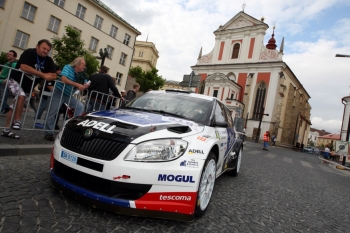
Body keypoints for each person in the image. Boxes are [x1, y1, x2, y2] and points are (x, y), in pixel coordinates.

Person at [1, 40, 57, 139]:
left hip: (28, 86)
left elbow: (53, 75)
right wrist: (43, 74)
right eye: (44, 48)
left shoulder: (48, 60)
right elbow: (24, 67)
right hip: (15, 80)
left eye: (48, 50)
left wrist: (47, 75)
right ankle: (17, 121)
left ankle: (6, 130)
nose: (45, 51)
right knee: (20, 96)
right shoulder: (29, 52)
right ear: (37, 46)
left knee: (14, 106)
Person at [44, 57, 90, 141]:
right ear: (77, 65)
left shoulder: (82, 74)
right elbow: (63, 79)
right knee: (52, 112)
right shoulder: (68, 67)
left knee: (79, 106)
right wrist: (77, 85)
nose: (85, 67)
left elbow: (85, 83)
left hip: (68, 95)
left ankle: (73, 127)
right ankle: (48, 133)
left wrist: (85, 86)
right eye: (83, 65)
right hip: (58, 92)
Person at [35, 65, 61, 129]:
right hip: (46, 95)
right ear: (56, 70)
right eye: (60, 70)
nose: (60, 72)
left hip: (50, 95)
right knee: (42, 108)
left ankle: (43, 122)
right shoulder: (52, 76)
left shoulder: (55, 77)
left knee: (47, 109)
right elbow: (48, 85)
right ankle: (36, 120)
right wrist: (56, 91)